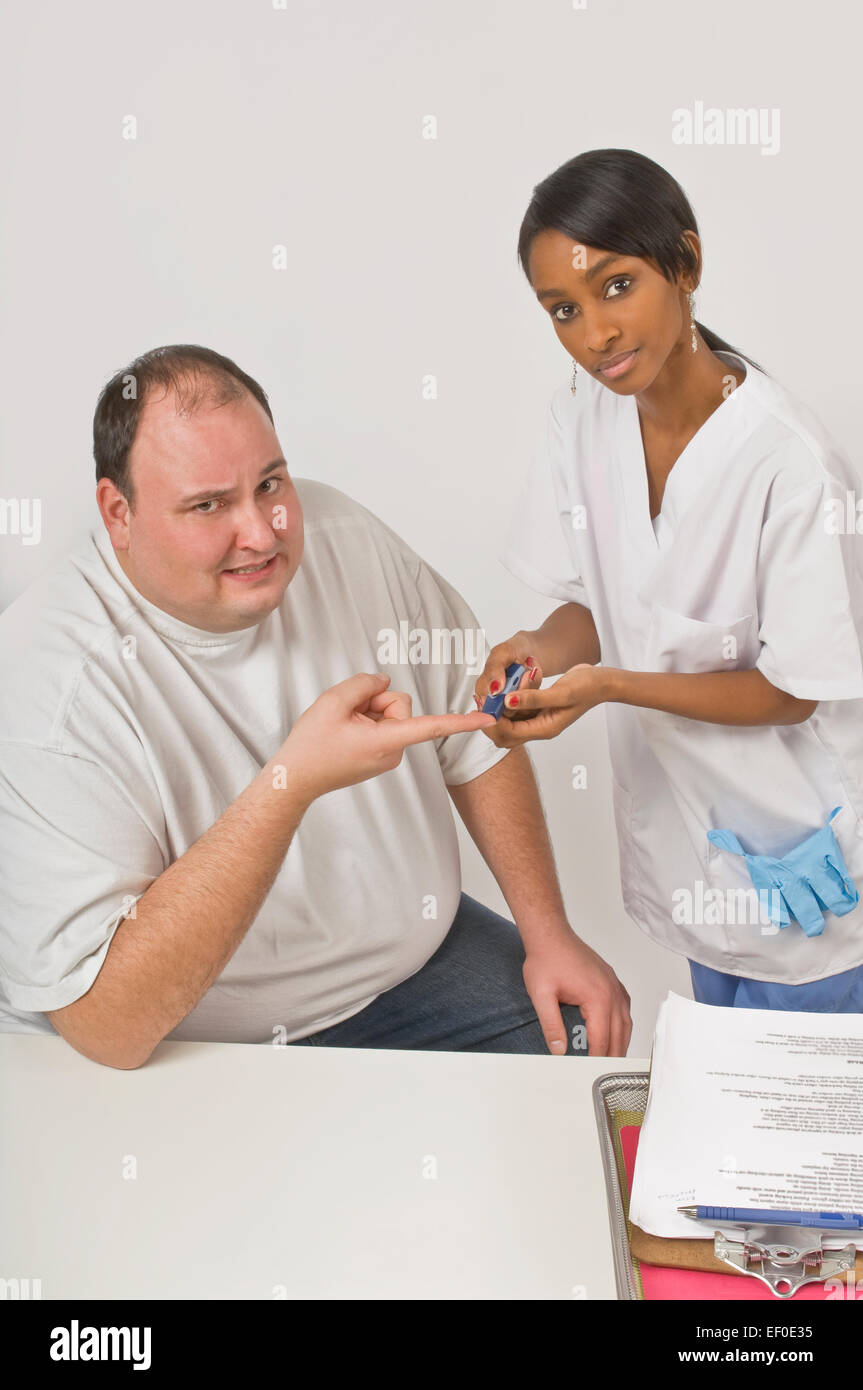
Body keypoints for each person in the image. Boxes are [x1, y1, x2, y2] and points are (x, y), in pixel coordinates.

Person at [0, 344, 632, 1068]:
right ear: (118, 512)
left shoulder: (343, 538)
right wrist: (289, 783)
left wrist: (549, 934)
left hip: (404, 968)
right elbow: (108, 1029)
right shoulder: (48, 683)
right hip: (192, 1032)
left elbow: (473, 734)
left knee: (582, 1041)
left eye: (269, 483)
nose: (262, 533)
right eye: (208, 505)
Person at [474, 148, 863, 1012]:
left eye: (617, 287)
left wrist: (608, 685)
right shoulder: (579, 418)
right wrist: (539, 650)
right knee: (723, 1113)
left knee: (816, 1136)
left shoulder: (788, 465)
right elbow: (602, 599)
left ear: (684, 263)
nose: (595, 335)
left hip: (806, 864)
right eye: (562, 310)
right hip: (695, 854)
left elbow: (792, 691)